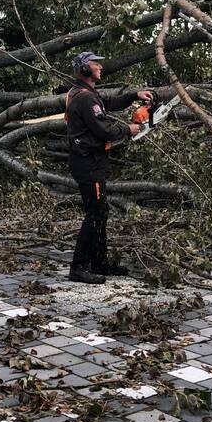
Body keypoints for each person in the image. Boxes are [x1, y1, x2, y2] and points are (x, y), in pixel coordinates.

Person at [64, 51, 153, 284]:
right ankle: (78, 268)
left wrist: (134, 95)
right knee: (94, 213)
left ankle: (99, 262)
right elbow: (104, 130)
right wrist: (129, 129)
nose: (100, 67)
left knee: (100, 212)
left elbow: (109, 103)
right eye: (96, 64)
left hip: (91, 161)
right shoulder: (84, 98)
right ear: (84, 69)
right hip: (87, 163)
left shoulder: (86, 93)